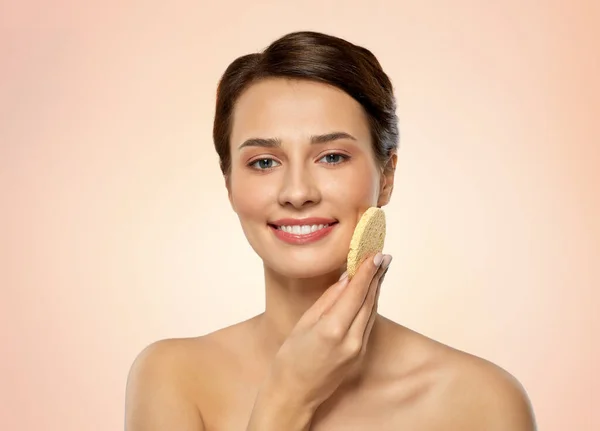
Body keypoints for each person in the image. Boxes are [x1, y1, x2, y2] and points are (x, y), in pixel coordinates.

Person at [124, 31, 536, 430]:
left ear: (386, 176)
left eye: (333, 156)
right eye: (264, 162)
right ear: (229, 183)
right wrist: (287, 396)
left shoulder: (482, 401)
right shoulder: (174, 378)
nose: (297, 192)